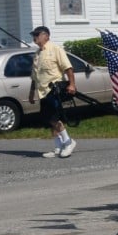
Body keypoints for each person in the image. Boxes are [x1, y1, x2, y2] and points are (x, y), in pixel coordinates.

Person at [28, 26, 77, 158]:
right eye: (33, 34)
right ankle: (58, 147)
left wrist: (72, 84)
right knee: (49, 120)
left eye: (37, 34)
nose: (35, 37)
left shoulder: (55, 49)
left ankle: (68, 142)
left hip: (53, 89)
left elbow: (68, 67)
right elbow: (35, 76)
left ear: (46, 36)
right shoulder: (37, 54)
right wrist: (31, 92)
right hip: (42, 91)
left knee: (54, 118)